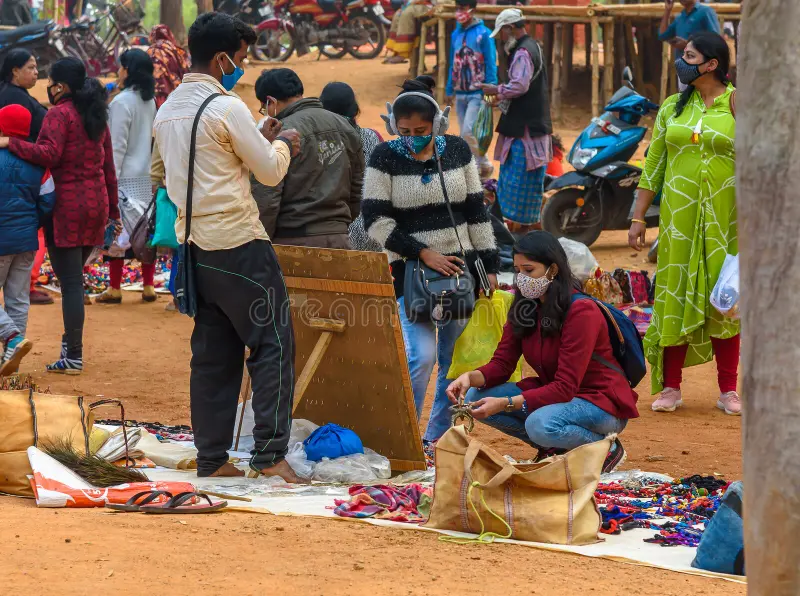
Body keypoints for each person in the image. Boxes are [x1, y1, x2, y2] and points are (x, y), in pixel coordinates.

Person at [153, 13, 301, 481]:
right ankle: (269, 457)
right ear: (221, 58)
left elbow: (165, 172)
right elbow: (270, 173)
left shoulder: (168, 109)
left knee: (213, 354)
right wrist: (282, 144)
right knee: (272, 344)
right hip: (239, 243)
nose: (241, 67)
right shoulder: (227, 107)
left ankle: (212, 458)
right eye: (239, 59)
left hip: (194, 247)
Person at [362, 76, 500, 443]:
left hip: (461, 275)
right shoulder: (383, 157)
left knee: (453, 363)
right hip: (410, 273)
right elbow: (374, 222)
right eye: (405, 130)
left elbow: (476, 212)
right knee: (421, 357)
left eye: (421, 129)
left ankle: (436, 437)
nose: (413, 136)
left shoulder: (457, 151)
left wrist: (489, 266)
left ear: (438, 124)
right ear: (393, 126)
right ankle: (402, 434)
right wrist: (424, 253)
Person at [446, 231, 637, 472]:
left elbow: (565, 386)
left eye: (529, 270)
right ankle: (556, 447)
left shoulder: (581, 312)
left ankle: (604, 447)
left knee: (540, 424)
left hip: (600, 403)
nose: (521, 278)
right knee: (474, 396)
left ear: (553, 270)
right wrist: (469, 377)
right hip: (557, 398)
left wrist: (506, 403)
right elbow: (503, 364)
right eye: (517, 270)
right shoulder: (525, 305)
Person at [629, 33, 740, 415]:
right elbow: (653, 166)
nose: (682, 61)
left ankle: (728, 390)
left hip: (727, 221)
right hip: (679, 221)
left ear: (711, 64)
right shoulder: (672, 108)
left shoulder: (738, 104)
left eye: (689, 56)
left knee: (725, 300)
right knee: (673, 294)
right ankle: (671, 387)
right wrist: (638, 216)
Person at [0, 57, 119, 375]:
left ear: (61, 86)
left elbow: (49, 154)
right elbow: (109, 168)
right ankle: (71, 350)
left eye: (50, 81)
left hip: (66, 207)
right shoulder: (95, 115)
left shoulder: (59, 115)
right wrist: (114, 213)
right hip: (96, 206)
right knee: (74, 281)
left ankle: (73, 356)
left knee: (71, 285)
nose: (47, 86)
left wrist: (12, 144)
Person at [252, 68, 364, 249]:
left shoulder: (280, 133)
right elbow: (359, 186)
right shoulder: (345, 126)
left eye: (263, 108)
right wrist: (337, 225)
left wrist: (261, 242)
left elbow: (267, 196)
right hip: (340, 239)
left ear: (270, 101)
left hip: (292, 241)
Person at [481, 9, 553, 234]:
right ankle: (523, 227)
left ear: (509, 29)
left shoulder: (522, 52)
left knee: (517, 180)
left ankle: (518, 231)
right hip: (530, 125)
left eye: (502, 32)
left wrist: (497, 89)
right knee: (526, 183)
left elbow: (520, 86)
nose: (501, 38)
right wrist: (501, 98)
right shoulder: (534, 46)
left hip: (526, 131)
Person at [96, 49, 158, 305]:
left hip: (124, 177)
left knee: (119, 232)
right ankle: (148, 285)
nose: (118, 72)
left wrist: (110, 180)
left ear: (129, 71)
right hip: (145, 175)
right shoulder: (149, 100)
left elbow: (116, 147)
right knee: (145, 231)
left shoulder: (121, 102)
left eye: (121, 67)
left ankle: (115, 288)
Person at [0, 105, 56, 376]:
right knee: (18, 298)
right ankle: (13, 357)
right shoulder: (37, 162)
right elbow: (48, 200)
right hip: (26, 240)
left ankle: (11, 337)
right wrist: (33, 224)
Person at [0, 49, 52, 305]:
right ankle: (13, 332)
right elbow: (48, 201)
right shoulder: (13, 98)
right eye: (30, 68)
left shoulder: (14, 94)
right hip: (24, 175)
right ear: (15, 71)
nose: (35, 73)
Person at [319, 81, 384, 252]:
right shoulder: (373, 137)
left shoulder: (318, 143)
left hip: (330, 232)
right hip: (370, 230)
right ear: (355, 110)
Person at [445, 0, 497, 179]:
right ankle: (480, 166)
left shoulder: (484, 34)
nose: (459, 12)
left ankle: (479, 165)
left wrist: (491, 90)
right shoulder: (455, 35)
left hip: (478, 92)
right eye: (457, 8)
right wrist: (449, 88)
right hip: (460, 92)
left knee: (468, 131)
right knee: (464, 132)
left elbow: (491, 63)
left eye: (463, 8)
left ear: (471, 10)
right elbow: (453, 63)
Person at [659, 0, 720, 89]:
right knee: (687, 102)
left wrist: (688, 45)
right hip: (683, 72)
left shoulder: (706, 12)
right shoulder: (680, 17)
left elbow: (715, 40)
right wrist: (667, 10)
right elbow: (662, 35)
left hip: (701, 71)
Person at [147, 24, 191, 109]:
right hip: (177, 95)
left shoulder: (150, 51)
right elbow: (186, 70)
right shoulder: (177, 50)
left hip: (152, 96)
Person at [385, 0, 432, 64]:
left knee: (406, 14)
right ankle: (398, 52)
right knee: (398, 14)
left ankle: (403, 53)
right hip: (417, 4)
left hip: (429, 6)